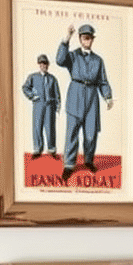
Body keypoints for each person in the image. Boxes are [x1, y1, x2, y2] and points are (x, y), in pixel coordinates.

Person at [56, 23, 113, 183]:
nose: (86, 39)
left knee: (91, 133)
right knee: (72, 132)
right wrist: (67, 38)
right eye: (84, 36)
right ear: (80, 38)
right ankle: (68, 164)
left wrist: (108, 96)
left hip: (92, 98)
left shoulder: (98, 60)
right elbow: (60, 60)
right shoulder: (72, 56)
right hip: (75, 94)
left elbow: (103, 81)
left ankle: (88, 160)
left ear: (92, 39)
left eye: (89, 37)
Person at [21, 55, 62, 157]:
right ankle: (37, 149)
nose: (43, 65)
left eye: (45, 63)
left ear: (48, 65)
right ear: (39, 65)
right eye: (41, 63)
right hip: (38, 105)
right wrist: (32, 96)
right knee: (37, 126)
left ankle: (51, 149)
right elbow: (25, 87)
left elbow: (57, 94)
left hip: (49, 106)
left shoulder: (52, 79)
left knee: (50, 127)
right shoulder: (33, 77)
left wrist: (57, 106)